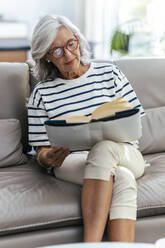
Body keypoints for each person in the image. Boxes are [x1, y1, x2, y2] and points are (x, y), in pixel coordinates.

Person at [28, 14, 146, 243]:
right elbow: (40, 151)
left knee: (104, 149)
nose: (69, 54)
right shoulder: (41, 94)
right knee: (123, 178)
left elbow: (136, 122)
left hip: (125, 153)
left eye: (70, 44)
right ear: (47, 57)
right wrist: (47, 157)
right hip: (72, 162)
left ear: (78, 40)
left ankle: (89, 246)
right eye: (57, 51)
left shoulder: (110, 74)